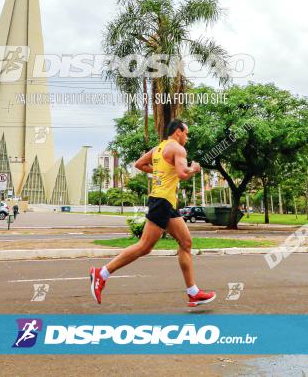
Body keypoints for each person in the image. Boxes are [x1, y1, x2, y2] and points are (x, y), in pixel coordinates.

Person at [89, 119, 216, 307]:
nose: (187, 138)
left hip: (166, 202)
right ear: (178, 132)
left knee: (186, 242)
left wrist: (159, 172)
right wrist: (194, 169)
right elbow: (183, 173)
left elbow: (139, 164)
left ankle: (193, 292)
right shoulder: (178, 149)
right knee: (144, 246)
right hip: (162, 201)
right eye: (186, 133)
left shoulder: (158, 149)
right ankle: (102, 273)